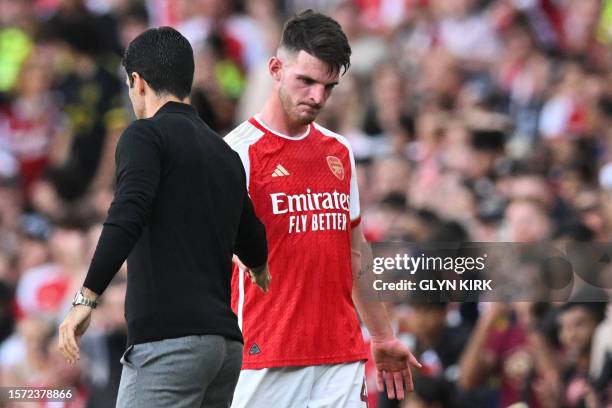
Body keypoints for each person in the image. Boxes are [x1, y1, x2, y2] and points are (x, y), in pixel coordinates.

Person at [58, 27, 269, 408]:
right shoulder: (224, 153)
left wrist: (85, 300)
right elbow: (253, 238)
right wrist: (259, 267)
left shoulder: (144, 136)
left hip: (169, 345)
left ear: (137, 82)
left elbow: (126, 215)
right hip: (223, 349)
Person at [225, 10, 420, 407]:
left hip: (341, 357)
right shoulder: (236, 153)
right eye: (306, 81)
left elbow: (355, 251)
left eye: (328, 87)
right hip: (265, 357)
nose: (317, 97)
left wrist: (381, 336)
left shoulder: (339, 151)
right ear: (276, 68)